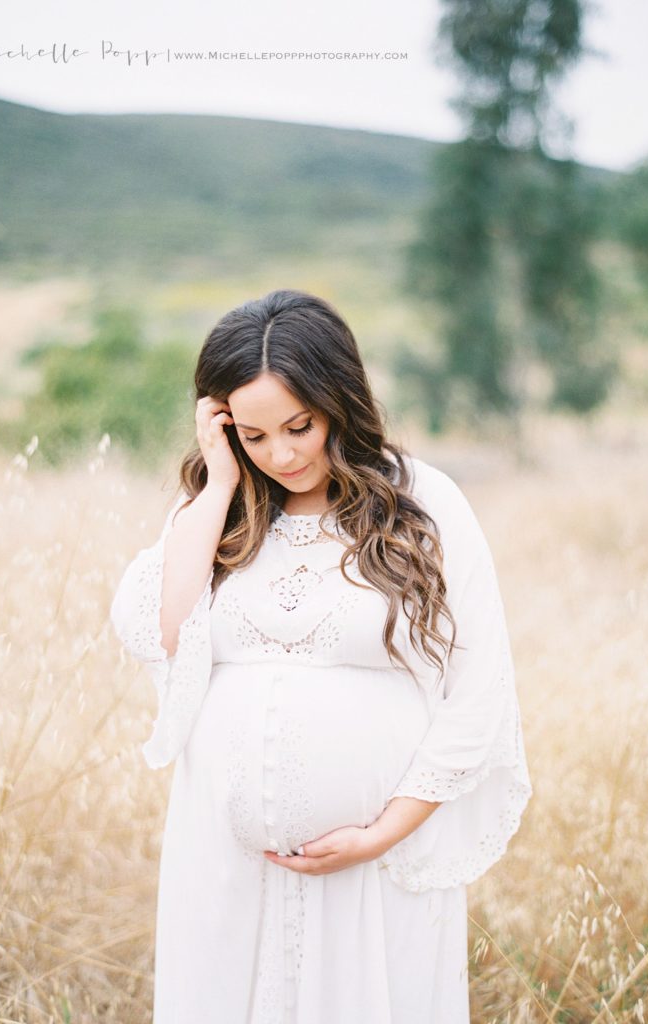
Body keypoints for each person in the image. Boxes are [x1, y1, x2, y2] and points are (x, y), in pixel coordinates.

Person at [109, 288, 532, 1024]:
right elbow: (166, 630)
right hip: (223, 862)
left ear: (339, 398)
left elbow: (479, 688)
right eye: (252, 434)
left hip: (375, 873)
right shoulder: (219, 512)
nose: (282, 453)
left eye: (299, 426)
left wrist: (382, 833)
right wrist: (218, 481)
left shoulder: (423, 503)